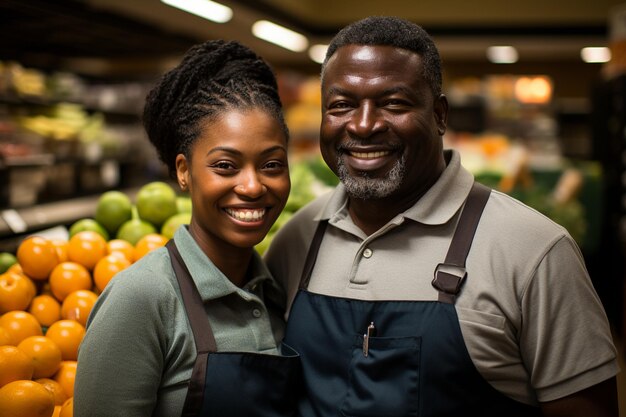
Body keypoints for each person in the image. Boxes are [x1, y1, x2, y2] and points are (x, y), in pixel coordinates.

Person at [265, 16, 620, 416]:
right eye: (341, 105)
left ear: (440, 115)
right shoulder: (296, 240)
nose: (363, 125)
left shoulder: (534, 250)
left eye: (393, 103)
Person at [75, 40, 299, 417]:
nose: (253, 186)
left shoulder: (277, 292)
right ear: (183, 171)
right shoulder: (142, 298)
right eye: (226, 166)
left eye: (272, 164)